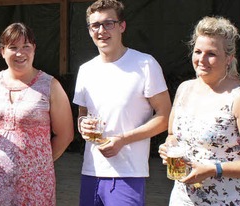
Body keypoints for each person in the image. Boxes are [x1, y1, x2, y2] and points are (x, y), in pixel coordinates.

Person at [157, 16, 240, 205]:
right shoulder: (184, 89)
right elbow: (173, 134)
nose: (201, 60)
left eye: (211, 54)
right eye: (197, 52)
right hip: (183, 198)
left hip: (229, 200)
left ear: (229, 58)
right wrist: (169, 147)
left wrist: (215, 169)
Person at [0, 22, 74, 205]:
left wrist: (40, 162)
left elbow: (65, 135)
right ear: (2, 51)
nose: (20, 53)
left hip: (35, 184)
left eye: (26, 46)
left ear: (34, 49)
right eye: (13, 47)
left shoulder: (50, 86)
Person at [73, 0, 172, 205]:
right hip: (91, 171)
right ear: (89, 30)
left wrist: (124, 139)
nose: (101, 31)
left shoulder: (145, 64)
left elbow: (165, 117)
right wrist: (83, 124)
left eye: (108, 23)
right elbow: (82, 115)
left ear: (122, 26)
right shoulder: (86, 70)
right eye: (95, 25)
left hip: (129, 173)